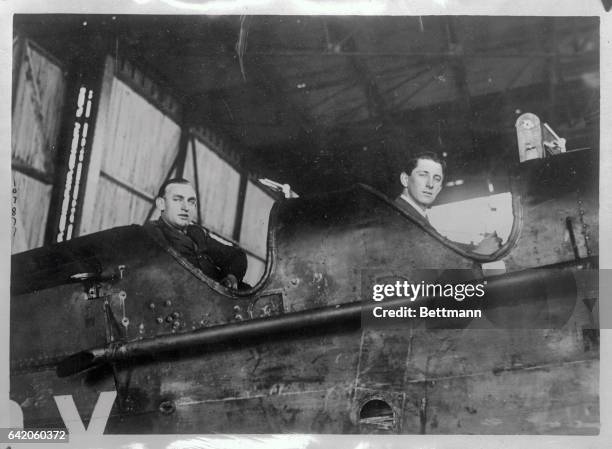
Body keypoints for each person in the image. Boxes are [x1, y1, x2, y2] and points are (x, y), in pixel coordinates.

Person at [144, 178, 247, 289]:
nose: (186, 207)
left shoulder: (197, 233)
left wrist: (232, 277)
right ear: (161, 204)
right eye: (177, 200)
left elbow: (236, 255)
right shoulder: (152, 237)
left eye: (191, 202)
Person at [395, 152, 502, 255]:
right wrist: (480, 252)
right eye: (423, 175)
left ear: (439, 189)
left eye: (437, 178)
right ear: (405, 179)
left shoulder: (414, 216)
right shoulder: (398, 218)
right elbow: (421, 270)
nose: (430, 184)